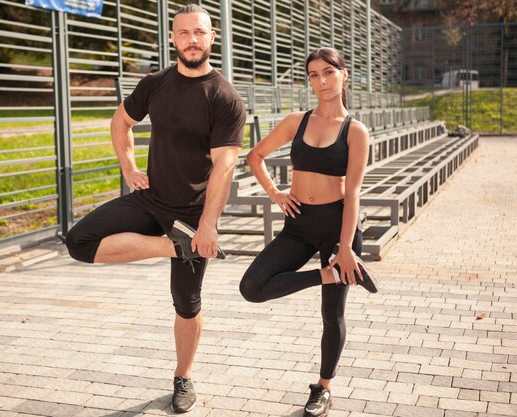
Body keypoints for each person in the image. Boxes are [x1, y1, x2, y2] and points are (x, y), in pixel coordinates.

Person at [65, 4, 246, 414]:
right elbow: (120, 121)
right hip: (151, 198)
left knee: (186, 302)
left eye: (199, 32)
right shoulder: (155, 83)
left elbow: (225, 167)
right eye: (183, 33)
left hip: (191, 211)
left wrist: (207, 227)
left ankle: (183, 376)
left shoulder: (225, 98)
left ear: (212, 36)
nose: (192, 40)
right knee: (79, 241)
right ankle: (174, 247)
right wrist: (128, 166)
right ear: (172, 38)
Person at [239, 47, 377, 417]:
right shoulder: (297, 121)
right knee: (251, 287)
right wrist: (275, 193)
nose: (321, 81)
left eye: (328, 73)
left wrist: (346, 249)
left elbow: (353, 194)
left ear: (344, 75)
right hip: (298, 226)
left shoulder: (355, 131)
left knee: (332, 315)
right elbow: (255, 155)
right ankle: (326, 275)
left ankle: (324, 388)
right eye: (314, 75)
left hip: (337, 228)